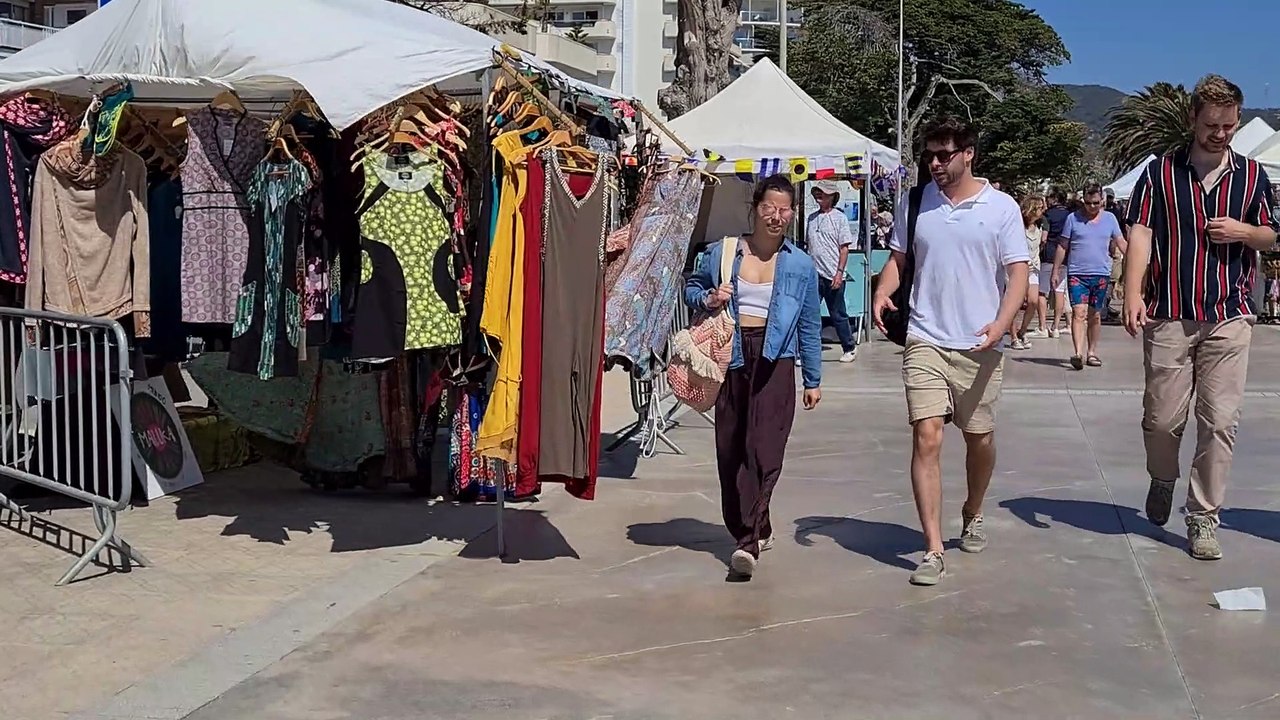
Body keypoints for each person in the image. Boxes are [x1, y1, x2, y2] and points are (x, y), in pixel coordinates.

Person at [1123, 74, 1279, 560]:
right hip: (1170, 311)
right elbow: (1142, 234)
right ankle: (1162, 477)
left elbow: (1272, 235)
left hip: (1230, 314)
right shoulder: (1160, 173)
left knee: (1221, 421)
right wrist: (1132, 292)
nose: (1220, 133)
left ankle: (1203, 516)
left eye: (1229, 125)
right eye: (1212, 124)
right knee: (1163, 419)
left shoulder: (1253, 176)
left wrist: (1244, 232)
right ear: (1193, 119)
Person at [872, 117, 1029, 586]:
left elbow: (1017, 273)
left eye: (944, 155)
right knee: (928, 437)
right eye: (930, 155)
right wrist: (884, 289)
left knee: (978, 438)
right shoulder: (916, 202)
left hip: (980, 342)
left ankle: (973, 509)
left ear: (968, 154)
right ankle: (933, 549)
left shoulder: (1001, 208)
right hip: (925, 336)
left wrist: (1001, 325)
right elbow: (899, 260)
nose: (935, 164)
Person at [684, 174, 824, 580]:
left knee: (764, 450)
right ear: (756, 207)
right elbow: (692, 288)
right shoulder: (724, 253)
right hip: (732, 355)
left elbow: (810, 324)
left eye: (784, 210)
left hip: (776, 360)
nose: (776, 216)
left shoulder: (799, 264)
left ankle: (747, 543)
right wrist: (709, 297)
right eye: (769, 207)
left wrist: (813, 378)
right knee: (730, 451)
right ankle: (754, 523)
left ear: (793, 213)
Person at [1052, 183, 1126, 369]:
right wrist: (1056, 270)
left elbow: (1120, 241)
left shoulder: (1110, 219)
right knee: (1079, 313)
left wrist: (1135, 262)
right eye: (1087, 203)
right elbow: (1063, 245)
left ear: (1101, 200)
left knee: (1095, 316)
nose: (1092, 207)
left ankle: (1091, 352)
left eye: (1095, 203)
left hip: (1101, 273)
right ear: (1082, 201)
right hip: (1077, 273)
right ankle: (1078, 353)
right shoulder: (1072, 219)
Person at [806, 180, 859, 363]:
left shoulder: (840, 218)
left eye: (823, 193)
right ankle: (807, 349)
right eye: (817, 192)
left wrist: (839, 272)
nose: (819, 196)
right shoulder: (811, 218)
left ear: (832, 197)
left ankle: (849, 347)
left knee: (837, 313)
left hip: (832, 274)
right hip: (814, 274)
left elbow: (844, 248)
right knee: (810, 313)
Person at [1011, 194, 1047, 350]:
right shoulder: (1018, 226)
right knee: (1016, 302)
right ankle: (1013, 336)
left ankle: (1022, 330)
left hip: (1034, 267)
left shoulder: (1039, 225)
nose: (1042, 211)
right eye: (1039, 208)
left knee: (1033, 301)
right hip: (1019, 267)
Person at [1040, 188, 1071, 337]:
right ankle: (1056, 326)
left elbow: (1044, 237)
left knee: (1043, 292)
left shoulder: (1048, 215)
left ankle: (1042, 326)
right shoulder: (1070, 215)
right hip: (1065, 256)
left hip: (1049, 255)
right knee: (1060, 291)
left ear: (1054, 198)